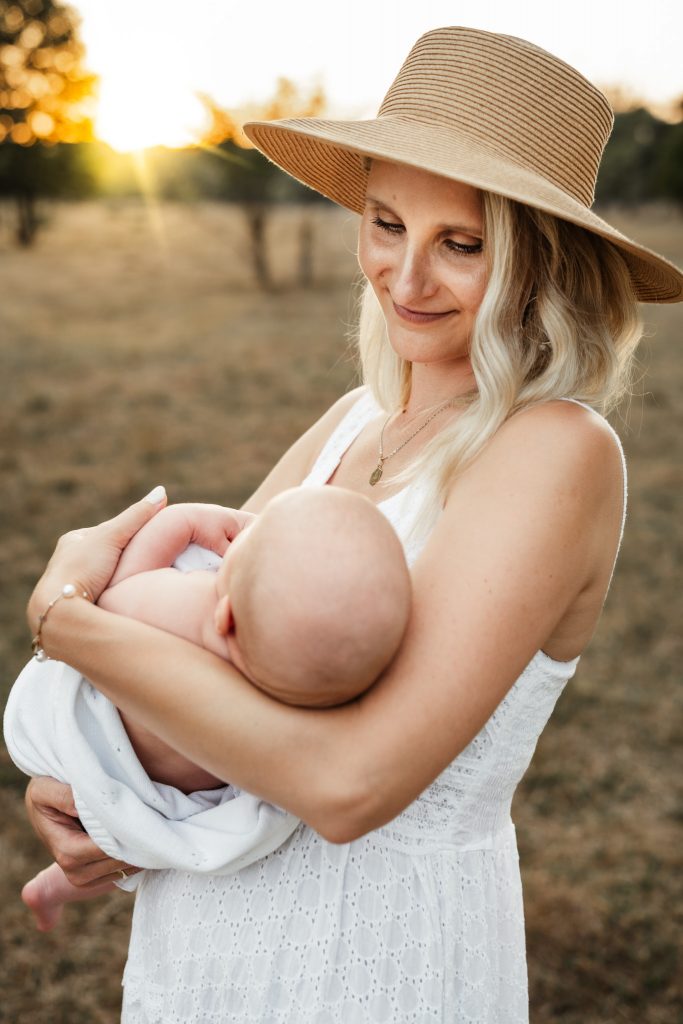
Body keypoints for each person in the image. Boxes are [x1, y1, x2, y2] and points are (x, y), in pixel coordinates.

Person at [21, 25, 682, 1024]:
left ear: (539, 266)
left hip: (370, 960)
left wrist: (65, 614)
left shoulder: (556, 449)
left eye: (459, 245)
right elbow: (207, 662)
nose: (404, 278)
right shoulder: (352, 423)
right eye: (384, 224)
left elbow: (346, 784)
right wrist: (99, 795)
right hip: (206, 945)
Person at [6, 487, 410, 931]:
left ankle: (51, 886)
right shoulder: (297, 692)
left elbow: (109, 605)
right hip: (173, 808)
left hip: (96, 752)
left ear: (227, 617)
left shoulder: (193, 606)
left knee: (105, 836)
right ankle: (53, 887)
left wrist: (184, 520)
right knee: (134, 842)